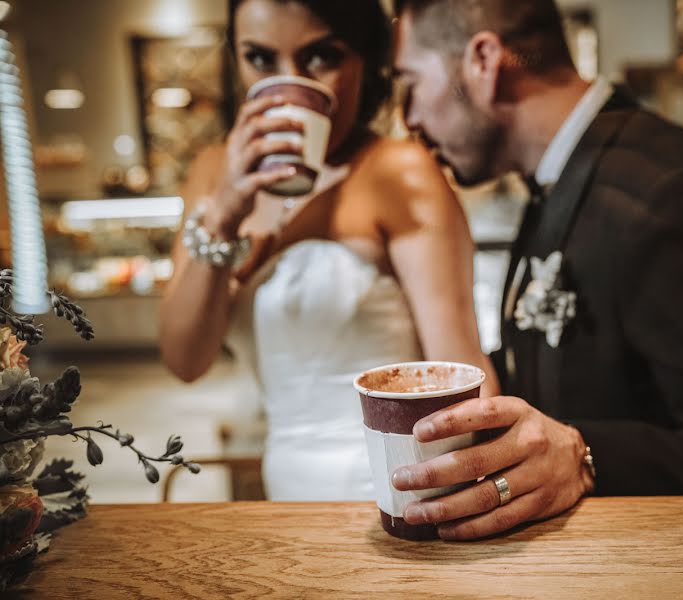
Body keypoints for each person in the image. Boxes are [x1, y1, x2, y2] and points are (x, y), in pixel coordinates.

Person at [390, 0, 683, 540]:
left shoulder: (681, 191)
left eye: (410, 84)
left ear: (483, 61)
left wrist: (585, 456)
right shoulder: (561, 178)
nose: (410, 118)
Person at [160, 0, 498, 501]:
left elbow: (463, 372)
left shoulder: (397, 171)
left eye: (321, 57)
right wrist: (223, 218)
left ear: (364, 59)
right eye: (260, 58)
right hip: (283, 484)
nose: (290, 84)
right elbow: (185, 360)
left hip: (388, 485)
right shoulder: (214, 173)